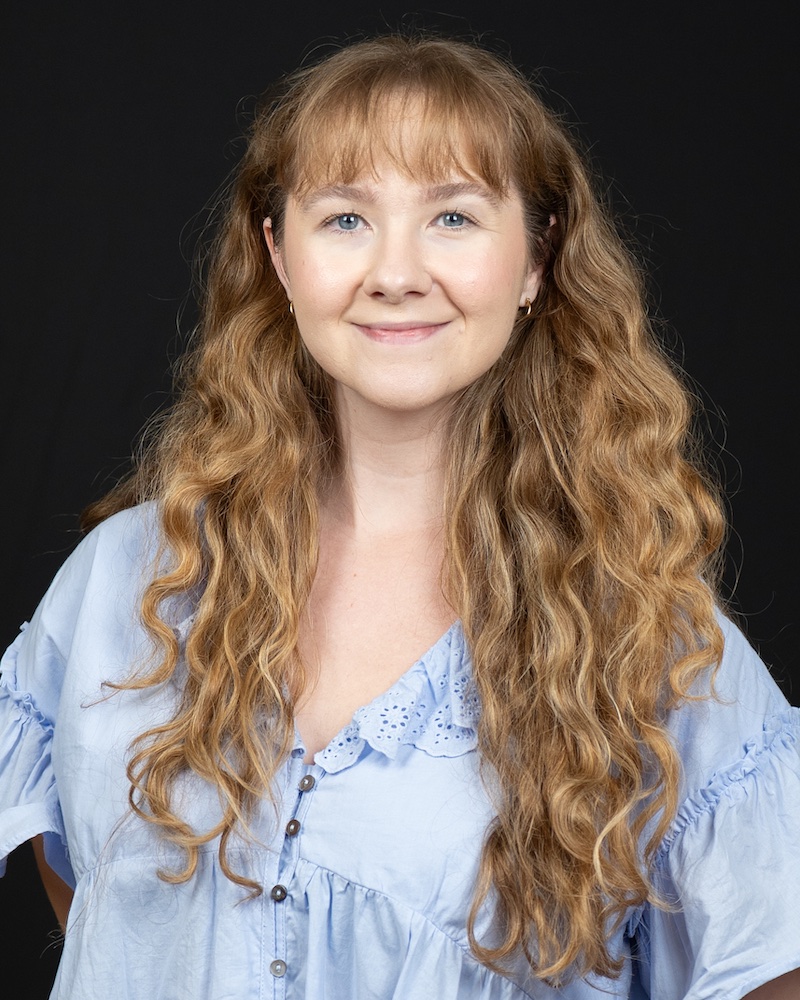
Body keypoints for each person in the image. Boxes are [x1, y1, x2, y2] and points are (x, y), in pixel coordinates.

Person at [1, 32, 798, 1000]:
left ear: (537, 257)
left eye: (453, 216)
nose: (395, 272)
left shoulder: (645, 639)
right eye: (344, 218)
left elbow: (767, 962)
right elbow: (101, 916)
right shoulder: (125, 583)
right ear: (279, 255)